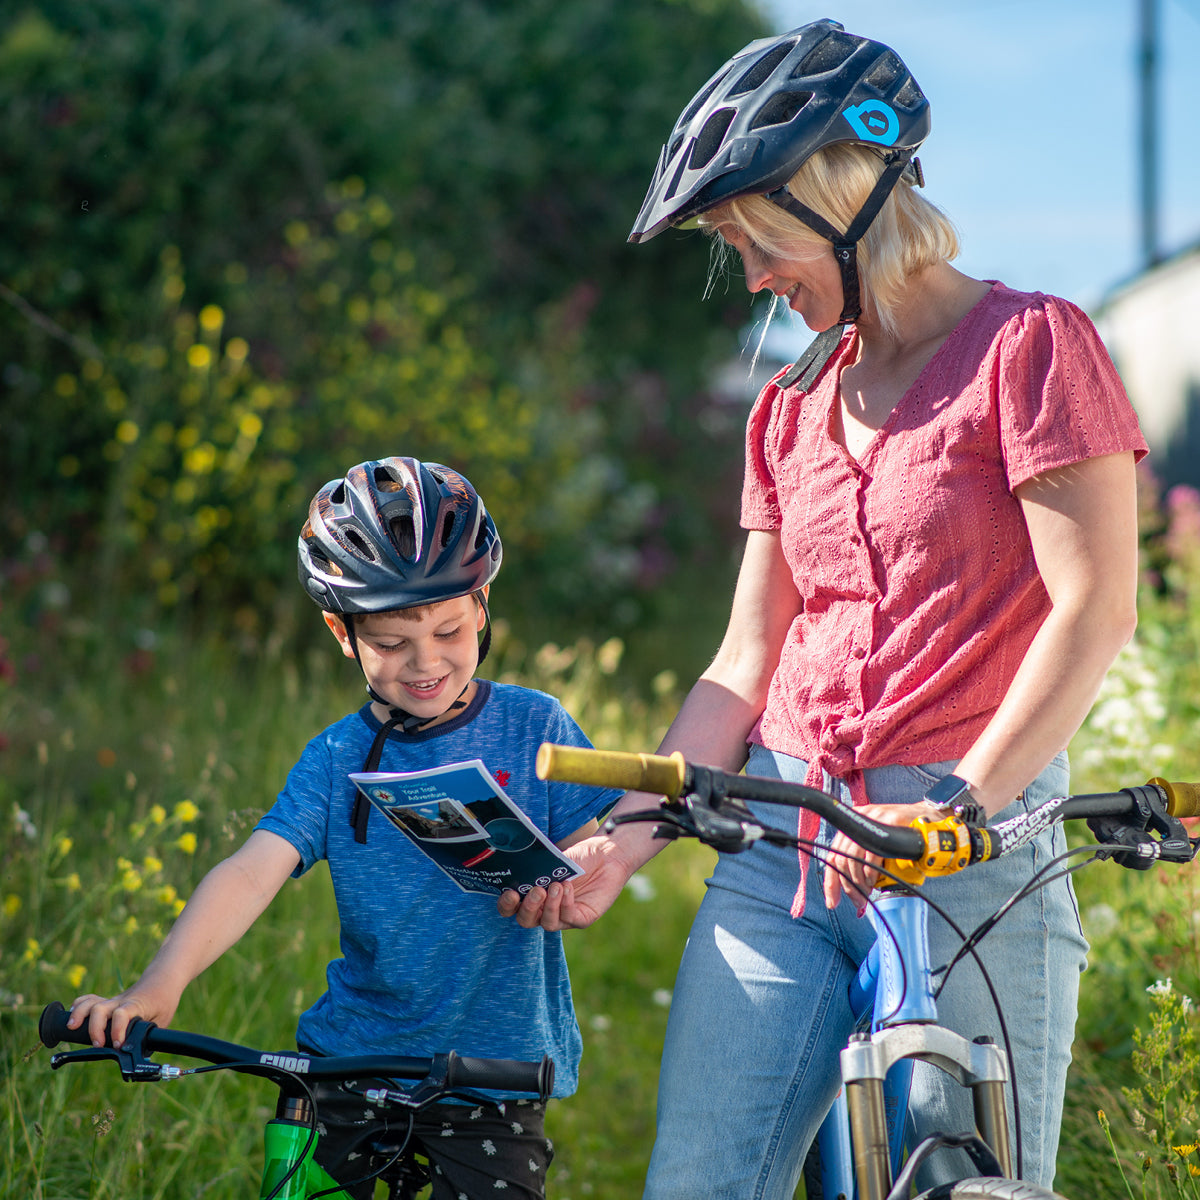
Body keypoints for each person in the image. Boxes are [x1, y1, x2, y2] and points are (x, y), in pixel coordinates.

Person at [501, 18, 1147, 1198]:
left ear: (839, 197)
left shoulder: (1031, 350)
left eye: (755, 239)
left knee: (968, 1189)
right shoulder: (789, 407)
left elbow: (1095, 609)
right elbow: (744, 662)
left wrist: (962, 809)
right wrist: (628, 848)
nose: (751, 277)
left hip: (964, 854)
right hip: (780, 852)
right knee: (699, 1184)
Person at [68, 456, 619, 1200]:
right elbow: (249, 871)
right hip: (347, 1068)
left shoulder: (534, 724)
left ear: (482, 607)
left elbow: (608, 838)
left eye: (449, 631)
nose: (426, 664)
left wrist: (586, 864)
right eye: (391, 643)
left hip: (495, 1076)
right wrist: (157, 986)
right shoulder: (335, 757)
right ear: (342, 633)